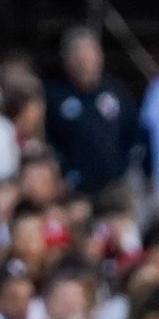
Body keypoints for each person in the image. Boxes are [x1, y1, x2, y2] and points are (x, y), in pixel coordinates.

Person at [44, 28, 142, 195]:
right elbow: (49, 140)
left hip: (116, 188)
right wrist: (67, 173)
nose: (85, 62)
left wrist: (127, 168)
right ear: (67, 60)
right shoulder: (55, 97)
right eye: (80, 57)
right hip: (74, 191)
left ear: (100, 57)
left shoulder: (116, 91)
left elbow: (133, 131)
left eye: (90, 55)